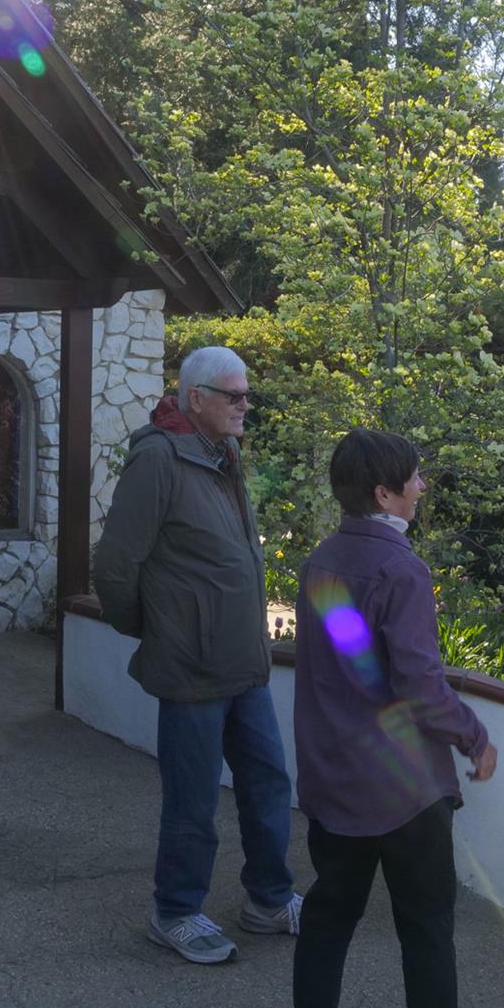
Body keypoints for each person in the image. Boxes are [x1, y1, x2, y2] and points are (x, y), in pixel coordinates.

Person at [288, 429, 497, 1008]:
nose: (421, 487)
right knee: (426, 932)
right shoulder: (400, 571)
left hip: (334, 781)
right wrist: (474, 737)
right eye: (413, 478)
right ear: (384, 493)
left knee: (327, 920)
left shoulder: (321, 561)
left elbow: (356, 669)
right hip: (404, 791)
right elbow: (416, 685)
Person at [93, 345, 300, 964]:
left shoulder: (222, 452)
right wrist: (160, 630)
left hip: (243, 660)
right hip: (191, 666)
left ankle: (269, 900)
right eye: (233, 395)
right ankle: (176, 912)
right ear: (196, 398)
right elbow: (115, 565)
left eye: (246, 394)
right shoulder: (159, 457)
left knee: (267, 783)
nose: (245, 405)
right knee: (194, 799)